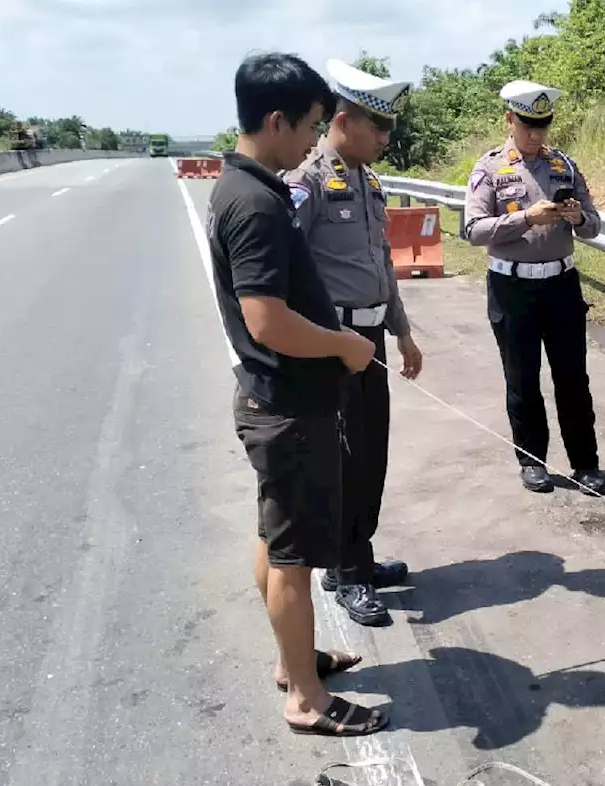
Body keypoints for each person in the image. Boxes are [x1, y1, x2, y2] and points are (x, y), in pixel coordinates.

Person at [206, 51, 387, 737]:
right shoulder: (253, 202)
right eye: (311, 124)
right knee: (294, 556)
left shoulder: (249, 185)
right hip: (286, 407)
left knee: (275, 537)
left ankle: (295, 660)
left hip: (277, 399)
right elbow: (267, 320)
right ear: (276, 119)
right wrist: (343, 345)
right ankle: (306, 699)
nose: (316, 139)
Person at [280, 59, 421, 628]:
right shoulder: (307, 182)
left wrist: (403, 331)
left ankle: (357, 555)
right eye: (379, 128)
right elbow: (285, 271)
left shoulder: (367, 179)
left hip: (371, 336)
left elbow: (381, 263)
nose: (387, 139)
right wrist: (323, 341)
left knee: (372, 454)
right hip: (332, 341)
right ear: (343, 121)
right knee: (343, 460)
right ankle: (343, 571)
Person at [463, 80, 605, 496]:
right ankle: (532, 461)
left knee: (572, 379)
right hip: (512, 287)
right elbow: (472, 229)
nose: (536, 134)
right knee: (522, 379)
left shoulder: (565, 165)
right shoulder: (489, 168)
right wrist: (526, 218)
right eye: (527, 124)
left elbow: (595, 225)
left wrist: (577, 217)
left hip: (561, 284)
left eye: (542, 125)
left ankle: (585, 464)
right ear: (510, 120)